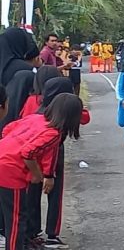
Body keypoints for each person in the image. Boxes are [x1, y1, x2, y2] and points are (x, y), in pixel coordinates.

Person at [0, 94, 82, 250]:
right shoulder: (53, 133)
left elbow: (7, 129)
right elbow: (28, 153)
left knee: (9, 215)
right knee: (16, 221)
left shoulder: (35, 118)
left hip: (3, 157)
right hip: (10, 171)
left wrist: (10, 148)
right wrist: (37, 174)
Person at [26, 78, 89, 249]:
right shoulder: (62, 111)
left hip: (31, 154)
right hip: (49, 151)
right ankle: (52, 234)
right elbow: (85, 117)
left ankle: (33, 231)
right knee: (54, 193)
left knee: (32, 193)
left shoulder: (36, 105)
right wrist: (48, 174)